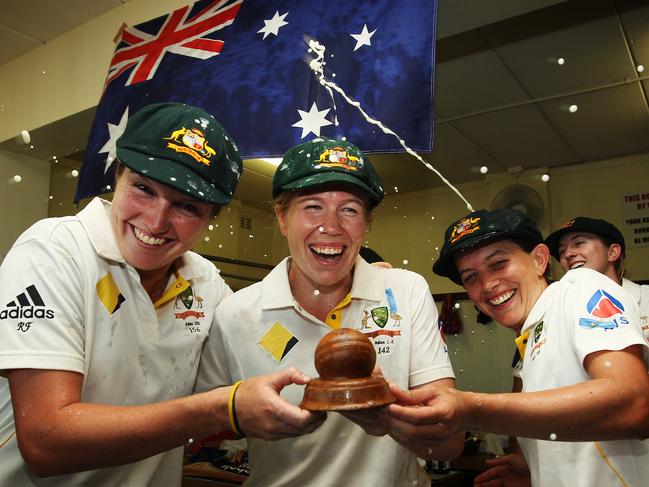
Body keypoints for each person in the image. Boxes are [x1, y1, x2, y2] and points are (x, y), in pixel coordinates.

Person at [0, 103, 323, 486]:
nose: (155, 222)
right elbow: (45, 442)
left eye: (186, 206)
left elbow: (270, 343)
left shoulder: (205, 283)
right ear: (117, 176)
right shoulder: (54, 251)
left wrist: (339, 290)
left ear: (210, 217)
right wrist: (225, 409)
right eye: (143, 188)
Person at [196, 137, 464, 486]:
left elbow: (450, 444)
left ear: (366, 223)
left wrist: (392, 419)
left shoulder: (406, 292)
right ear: (281, 216)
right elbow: (201, 431)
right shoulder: (235, 313)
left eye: (350, 209)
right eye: (312, 207)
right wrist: (238, 412)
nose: (331, 227)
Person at [385, 208, 649, 486]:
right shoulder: (532, 338)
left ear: (539, 260)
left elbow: (635, 404)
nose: (488, 284)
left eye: (498, 263)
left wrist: (473, 410)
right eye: (470, 277)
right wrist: (535, 469)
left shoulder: (578, 285)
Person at [545, 216, 648, 340]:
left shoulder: (646, 299)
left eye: (579, 243)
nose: (567, 254)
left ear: (612, 253)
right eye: (562, 251)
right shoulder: (558, 313)